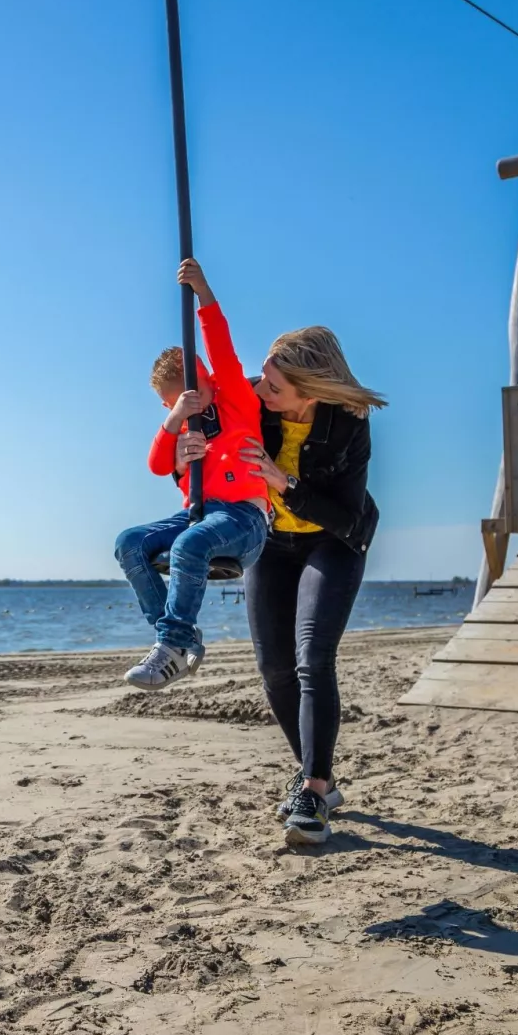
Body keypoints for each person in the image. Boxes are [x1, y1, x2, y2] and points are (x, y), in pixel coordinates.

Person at [176, 323, 385, 844]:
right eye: (263, 378)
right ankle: (319, 778)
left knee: (311, 657)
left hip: (334, 541)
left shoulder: (348, 425)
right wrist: (185, 446)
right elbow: (198, 437)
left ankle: (311, 790)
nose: (259, 390)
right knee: (273, 667)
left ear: (309, 391)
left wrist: (282, 481)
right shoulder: (248, 401)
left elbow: (346, 513)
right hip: (268, 541)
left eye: (273, 387)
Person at [114, 259, 270, 690]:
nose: (196, 400)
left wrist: (203, 292)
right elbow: (157, 466)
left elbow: (219, 344)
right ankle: (178, 638)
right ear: (169, 405)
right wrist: (175, 427)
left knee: (190, 542)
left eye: (198, 387)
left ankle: (173, 645)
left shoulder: (234, 396)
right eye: (182, 399)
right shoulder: (180, 425)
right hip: (200, 514)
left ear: (208, 376)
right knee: (128, 543)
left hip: (244, 517)